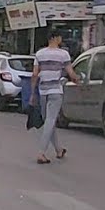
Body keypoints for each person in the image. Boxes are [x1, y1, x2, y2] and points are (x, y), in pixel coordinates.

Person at [29, 28, 80, 165]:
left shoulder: (39, 54)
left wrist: (32, 93)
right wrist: (77, 79)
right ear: (56, 38)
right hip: (56, 91)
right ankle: (41, 153)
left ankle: (58, 150)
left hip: (43, 91)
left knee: (48, 122)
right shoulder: (63, 54)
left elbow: (34, 75)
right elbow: (70, 72)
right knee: (50, 122)